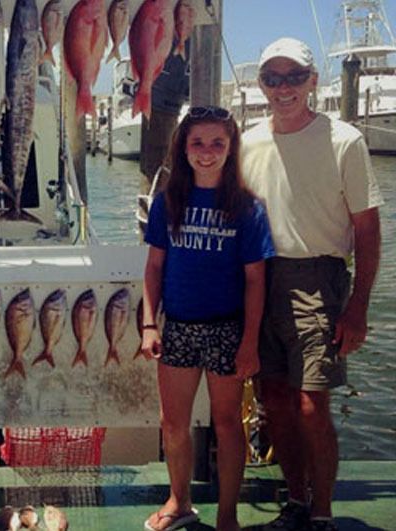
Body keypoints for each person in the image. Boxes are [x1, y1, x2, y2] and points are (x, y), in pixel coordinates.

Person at [241, 38, 383, 531]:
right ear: (261, 85)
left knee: (311, 403)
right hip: (259, 280)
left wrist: (358, 306)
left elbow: (367, 230)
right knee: (275, 401)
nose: (283, 88)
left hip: (318, 281)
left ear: (313, 81)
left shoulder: (345, 140)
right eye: (272, 78)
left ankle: (322, 513)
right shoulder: (247, 142)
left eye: (294, 77)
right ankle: (296, 501)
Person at [141, 106, 275, 531]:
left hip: (226, 329)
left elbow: (255, 280)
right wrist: (149, 324)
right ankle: (179, 500)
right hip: (179, 327)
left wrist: (249, 341)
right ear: (183, 148)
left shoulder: (248, 209)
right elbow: (154, 267)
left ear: (231, 148)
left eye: (218, 142)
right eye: (197, 142)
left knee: (228, 423)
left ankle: (227, 514)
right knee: (173, 422)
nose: (207, 151)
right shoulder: (167, 203)